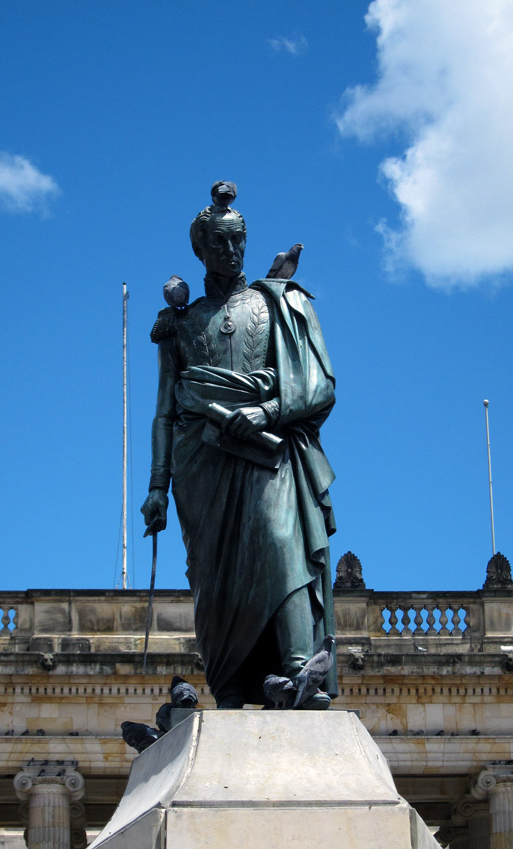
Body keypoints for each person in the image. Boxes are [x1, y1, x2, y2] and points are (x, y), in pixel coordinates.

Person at [141, 185, 337, 708]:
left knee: (280, 540)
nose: (230, 253)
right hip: (200, 461)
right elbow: (164, 411)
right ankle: (228, 684)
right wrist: (157, 486)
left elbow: (319, 384)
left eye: (237, 242)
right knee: (212, 575)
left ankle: (298, 669)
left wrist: (266, 412)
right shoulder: (179, 325)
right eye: (219, 244)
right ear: (200, 250)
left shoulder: (280, 303)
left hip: (268, 448)